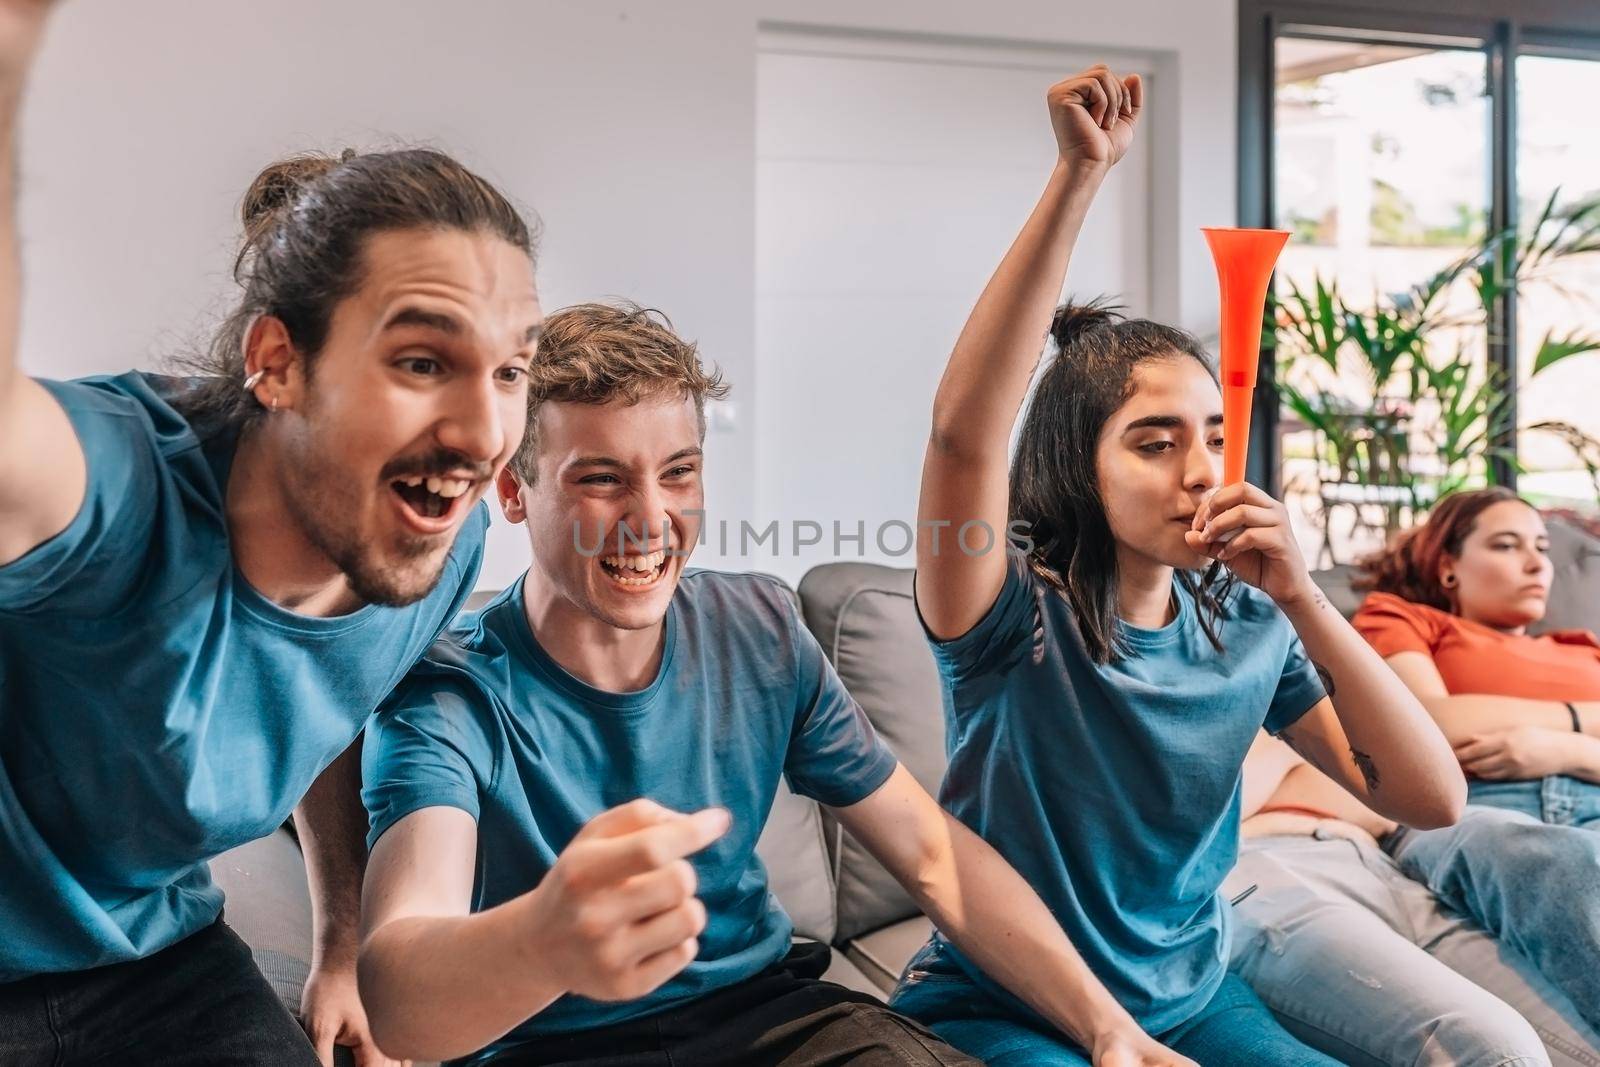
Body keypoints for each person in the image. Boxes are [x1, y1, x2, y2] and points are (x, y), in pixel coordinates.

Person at [357, 302, 1196, 1067]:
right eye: (602, 478)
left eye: (678, 473)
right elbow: (396, 986)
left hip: (767, 1019)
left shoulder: (756, 627)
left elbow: (934, 856)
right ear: (512, 489)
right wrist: (545, 941)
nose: (651, 518)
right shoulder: (448, 691)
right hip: (550, 1049)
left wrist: (1104, 1023)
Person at [886, 64, 1466, 1066]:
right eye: (1153, 443)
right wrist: (1078, 176)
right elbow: (960, 440)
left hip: (1193, 996)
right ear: (1081, 464)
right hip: (1003, 1004)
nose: (1200, 470)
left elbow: (1430, 798)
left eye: (1211, 434)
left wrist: (1302, 599)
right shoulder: (1003, 616)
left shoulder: (1247, 625)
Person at [0, 6, 543, 1064]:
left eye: (512, 368)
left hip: (156, 964)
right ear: (278, 362)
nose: (485, 433)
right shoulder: (117, 488)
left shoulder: (431, 545)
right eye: (424, 360)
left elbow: (333, 697)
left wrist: (340, 935)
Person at [1350, 486, 1600, 1028]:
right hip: (1472, 808)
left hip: (1591, 794)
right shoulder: (1402, 619)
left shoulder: (1583, 647)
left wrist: (1562, 746)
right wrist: (1587, 716)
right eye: (1508, 546)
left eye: (1542, 548)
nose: (1538, 562)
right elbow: (1427, 723)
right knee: (1569, 863)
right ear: (1448, 568)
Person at [1227, 731, 1600, 1066]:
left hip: (1381, 853)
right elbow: (1192, 819)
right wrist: (1290, 749)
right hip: (1263, 865)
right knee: (1495, 1053)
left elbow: (1393, 768)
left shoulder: (1273, 676)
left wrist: (1284, 752)